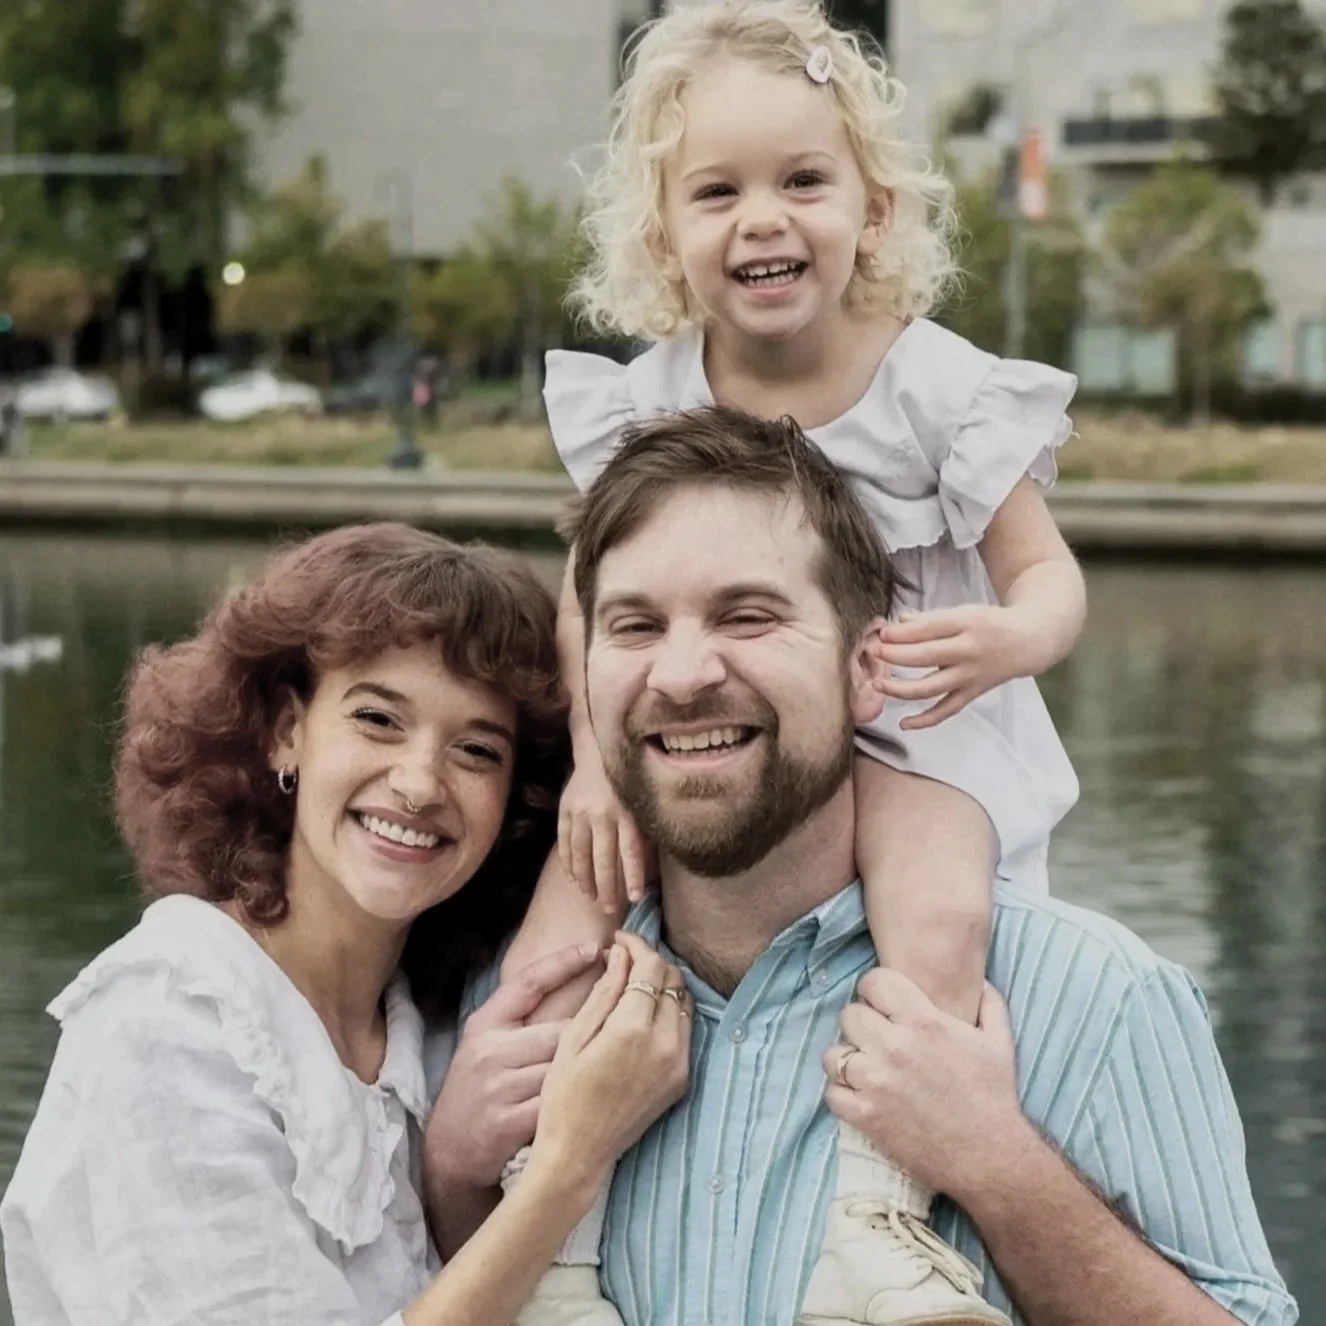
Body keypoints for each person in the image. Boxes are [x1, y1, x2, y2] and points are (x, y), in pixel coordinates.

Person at [438, 407, 1297, 1326]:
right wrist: (453, 1171)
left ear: (864, 668)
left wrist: (1002, 1171)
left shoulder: (1092, 998)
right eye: (636, 626)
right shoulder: (507, 1026)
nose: (682, 674)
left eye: (749, 615)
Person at [501, 2, 1084, 1321]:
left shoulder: (935, 386)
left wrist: (1005, 637)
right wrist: (592, 766)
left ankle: (875, 1210)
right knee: (565, 907)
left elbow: (1047, 576)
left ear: (871, 211)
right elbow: (583, 601)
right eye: (718, 192)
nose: (761, 218)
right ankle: (558, 1230)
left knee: (935, 906)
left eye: (801, 181)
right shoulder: (649, 400)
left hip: (920, 725)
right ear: (665, 237)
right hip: (722, 730)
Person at [0, 523, 691, 1326]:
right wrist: (568, 1165)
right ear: (286, 732)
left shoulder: (417, 1026)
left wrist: (453, 1174)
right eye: (378, 720)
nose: (419, 784)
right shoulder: (171, 1020)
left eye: (476, 750)